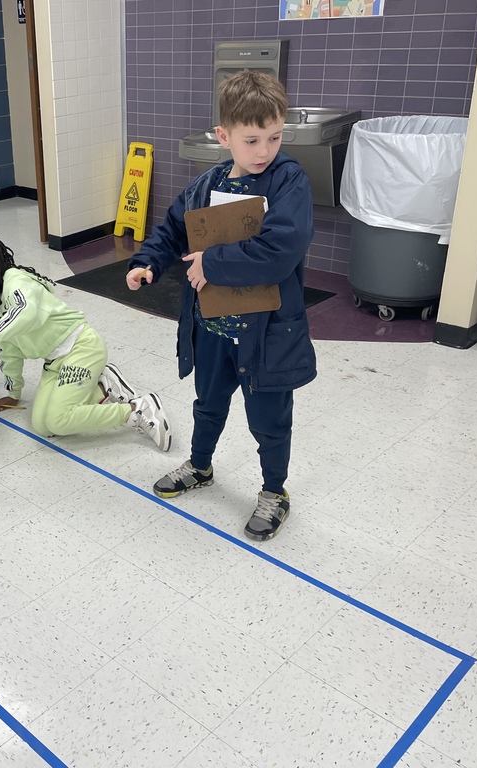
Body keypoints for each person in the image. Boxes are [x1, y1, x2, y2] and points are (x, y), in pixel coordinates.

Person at [127, 71, 316, 542]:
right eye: (252, 140)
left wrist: (213, 262)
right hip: (212, 328)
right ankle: (201, 465)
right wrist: (148, 261)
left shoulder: (288, 182)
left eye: (274, 137)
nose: (264, 151)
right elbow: (174, 228)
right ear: (224, 136)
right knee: (208, 405)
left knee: (269, 420)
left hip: (266, 334)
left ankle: (275, 491)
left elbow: (281, 250)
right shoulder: (204, 185)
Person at [0, 235, 172, 451]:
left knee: (59, 419)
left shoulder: (15, 280)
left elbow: (26, 311)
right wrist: (14, 393)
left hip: (82, 347)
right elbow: (10, 352)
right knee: (43, 426)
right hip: (55, 361)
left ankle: (137, 410)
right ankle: (102, 388)